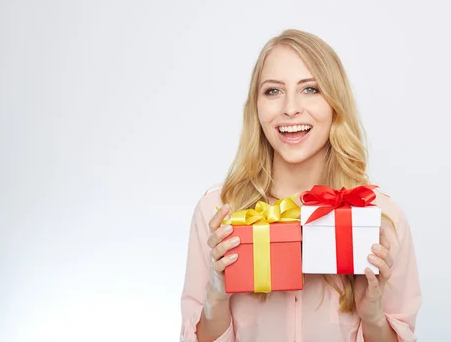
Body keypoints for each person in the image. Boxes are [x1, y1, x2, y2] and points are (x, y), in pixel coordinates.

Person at [180, 29, 422, 342]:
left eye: (310, 89)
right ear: (256, 107)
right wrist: (216, 295)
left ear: (335, 104)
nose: (290, 108)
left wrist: (373, 317)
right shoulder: (218, 213)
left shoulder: (379, 217)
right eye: (272, 91)